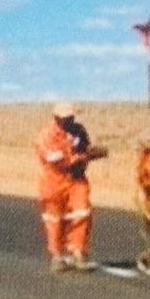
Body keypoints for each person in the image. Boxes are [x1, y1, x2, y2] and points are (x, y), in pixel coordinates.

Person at [33, 102, 108, 273]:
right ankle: (57, 256)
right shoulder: (46, 136)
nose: (69, 121)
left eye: (71, 117)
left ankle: (78, 253)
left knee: (82, 212)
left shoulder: (79, 130)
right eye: (66, 118)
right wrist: (82, 157)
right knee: (55, 219)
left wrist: (92, 152)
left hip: (76, 180)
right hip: (54, 182)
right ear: (57, 118)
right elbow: (56, 159)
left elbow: (84, 148)